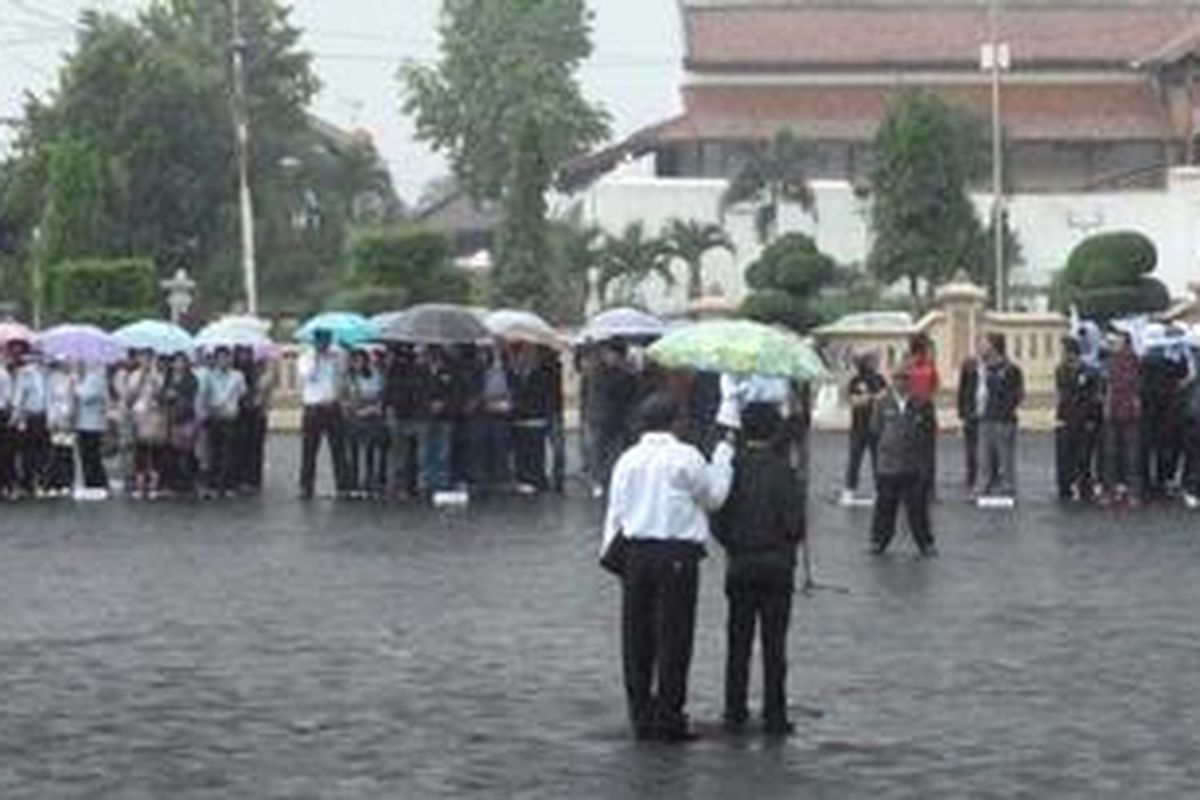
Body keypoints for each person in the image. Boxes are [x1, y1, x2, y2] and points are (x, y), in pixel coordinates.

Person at [602, 393, 735, 743]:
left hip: (634, 553)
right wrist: (723, 457)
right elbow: (714, 498)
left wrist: (611, 556)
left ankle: (640, 714)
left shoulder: (628, 459)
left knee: (636, 637)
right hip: (676, 553)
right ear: (675, 421)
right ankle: (669, 715)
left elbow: (616, 511)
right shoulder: (686, 456)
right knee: (674, 637)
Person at [712, 403, 804, 737]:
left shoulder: (733, 468)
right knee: (775, 644)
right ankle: (775, 714)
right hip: (777, 565)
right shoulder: (785, 471)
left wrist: (733, 544)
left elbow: (718, 518)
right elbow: (795, 525)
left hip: (741, 562)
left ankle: (734, 709)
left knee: (738, 641)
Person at [870, 369, 937, 557]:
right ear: (892, 381)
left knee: (917, 507)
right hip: (888, 464)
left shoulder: (922, 403)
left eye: (905, 379)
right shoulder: (882, 403)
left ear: (910, 381)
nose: (901, 383)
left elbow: (929, 432)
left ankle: (925, 543)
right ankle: (879, 541)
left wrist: (926, 463)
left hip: (913, 464)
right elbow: (875, 430)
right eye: (897, 379)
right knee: (885, 505)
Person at [298, 329, 347, 500]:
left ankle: (342, 486)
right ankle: (306, 486)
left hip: (333, 407)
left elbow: (342, 375)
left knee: (338, 449)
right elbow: (308, 375)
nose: (324, 345)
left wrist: (336, 358)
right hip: (314, 408)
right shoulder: (306, 357)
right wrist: (317, 358)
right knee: (309, 450)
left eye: (327, 341)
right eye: (321, 341)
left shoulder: (337, 355)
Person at [587, 342, 638, 498]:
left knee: (616, 453)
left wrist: (629, 374)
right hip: (601, 418)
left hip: (618, 418)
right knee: (598, 452)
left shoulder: (623, 372)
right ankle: (597, 481)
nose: (613, 358)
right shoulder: (598, 371)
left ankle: (610, 480)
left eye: (617, 356)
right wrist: (627, 373)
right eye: (611, 355)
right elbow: (611, 388)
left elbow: (631, 392)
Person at [978, 334, 1025, 498]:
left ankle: (1007, 487)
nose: (981, 348)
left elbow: (1018, 394)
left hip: (1004, 419)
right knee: (985, 457)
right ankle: (985, 486)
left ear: (993, 347)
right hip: (986, 417)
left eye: (984, 344)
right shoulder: (982, 369)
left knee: (1005, 457)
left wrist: (1007, 408)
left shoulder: (1011, 369)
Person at [1055, 337, 1102, 501]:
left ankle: (1085, 488)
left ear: (1072, 353)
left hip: (1084, 419)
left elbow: (1094, 397)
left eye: (1064, 351)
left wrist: (1091, 418)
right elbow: (1062, 394)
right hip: (1066, 418)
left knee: (1084, 457)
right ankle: (1065, 489)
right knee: (1064, 457)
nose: (1062, 354)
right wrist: (1060, 416)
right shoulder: (1060, 370)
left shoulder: (1090, 371)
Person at [1102, 331, 1142, 506]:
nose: (1113, 343)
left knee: (1121, 454)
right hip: (1119, 409)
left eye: (1117, 341)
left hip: (1124, 409)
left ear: (1126, 343)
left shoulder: (1129, 360)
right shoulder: (1114, 360)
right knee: (1122, 454)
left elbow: (1124, 384)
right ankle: (1126, 492)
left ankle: (1118, 491)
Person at [843, 352, 886, 502]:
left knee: (878, 461)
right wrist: (871, 398)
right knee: (854, 460)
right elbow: (854, 401)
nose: (875, 364)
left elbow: (885, 396)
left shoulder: (880, 379)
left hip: (876, 427)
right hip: (858, 427)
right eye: (872, 361)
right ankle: (849, 490)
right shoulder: (855, 381)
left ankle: (880, 489)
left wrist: (870, 398)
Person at [345, 349, 387, 499]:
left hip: (372, 419)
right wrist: (355, 408)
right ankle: (353, 485)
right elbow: (344, 398)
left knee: (370, 451)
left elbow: (381, 396)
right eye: (355, 360)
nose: (358, 364)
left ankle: (370, 484)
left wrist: (372, 408)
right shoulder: (347, 378)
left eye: (361, 360)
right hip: (353, 419)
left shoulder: (376, 375)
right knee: (353, 453)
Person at [126, 349, 166, 498]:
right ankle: (139, 483)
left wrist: (155, 384)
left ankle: (154, 484)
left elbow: (161, 398)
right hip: (138, 413)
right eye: (143, 358)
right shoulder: (134, 375)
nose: (146, 361)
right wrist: (141, 380)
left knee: (155, 449)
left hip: (154, 414)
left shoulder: (158, 376)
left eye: (149, 358)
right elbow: (130, 398)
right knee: (140, 449)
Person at [904, 334, 940, 497]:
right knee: (923, 451)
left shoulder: (910, 365)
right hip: (920, 407)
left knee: (916, 450)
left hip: (917, 407)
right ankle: (926, 487)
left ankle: (919, 486)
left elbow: (934, 385)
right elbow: (934, 386)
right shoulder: (923, 365)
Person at [11, 345, 49, 497]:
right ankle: (28, 483)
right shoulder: (25, 373)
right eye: (35, 357)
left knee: (41, 450)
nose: (37, 360)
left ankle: (39, 481)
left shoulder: (44, 373)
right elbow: (18, 396)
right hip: (29, 416)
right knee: (29, 451)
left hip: (43, 415)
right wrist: (16, 417)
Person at [161, 352, 200, 495]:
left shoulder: (192, 378)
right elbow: (162, 395)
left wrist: (176, 394)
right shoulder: (168, 378)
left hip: (186, 417)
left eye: (182, 361)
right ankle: (173, 482)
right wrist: (166, 395)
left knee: (187, 450)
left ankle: (188, 481)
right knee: (171, 451)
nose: (179, 364)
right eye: (176, 361)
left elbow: (192, 394)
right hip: (171, 418)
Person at [74, 361, 110, 496]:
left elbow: (86, 396)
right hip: (83, 423)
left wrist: (75, 385)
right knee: (86, 456)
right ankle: (90, 484)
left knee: (92, 456)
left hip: (92, 424)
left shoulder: (96, 377)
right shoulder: (87, 377)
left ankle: (97, 484)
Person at [43, 358, 77, 495]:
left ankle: (68, 482)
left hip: (69, 420)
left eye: (67, 362)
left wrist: (73, 387)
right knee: (55, 451)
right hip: (56, 419)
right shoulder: (52, 379)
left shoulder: (73, 378)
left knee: (67, 452)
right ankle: (55, 483)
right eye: (63, 363)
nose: (65, 365)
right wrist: (51, 418)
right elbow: (49, 400)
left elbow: (74, 400)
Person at [956, 348, 983, 490]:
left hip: (973, 415)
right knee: (973, 449)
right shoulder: (973, 378)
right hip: (973, 416)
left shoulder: (970, 378)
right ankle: (973, 477)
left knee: (973, 449)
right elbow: (961, 396)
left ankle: (972, 477)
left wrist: (961, 412)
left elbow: (961, 395)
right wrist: (962, 412)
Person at [0, 353, 12, 498]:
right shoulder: (4, 374)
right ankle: (5, 485)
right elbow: (8, 397)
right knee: (4, 450)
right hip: (2, 413)